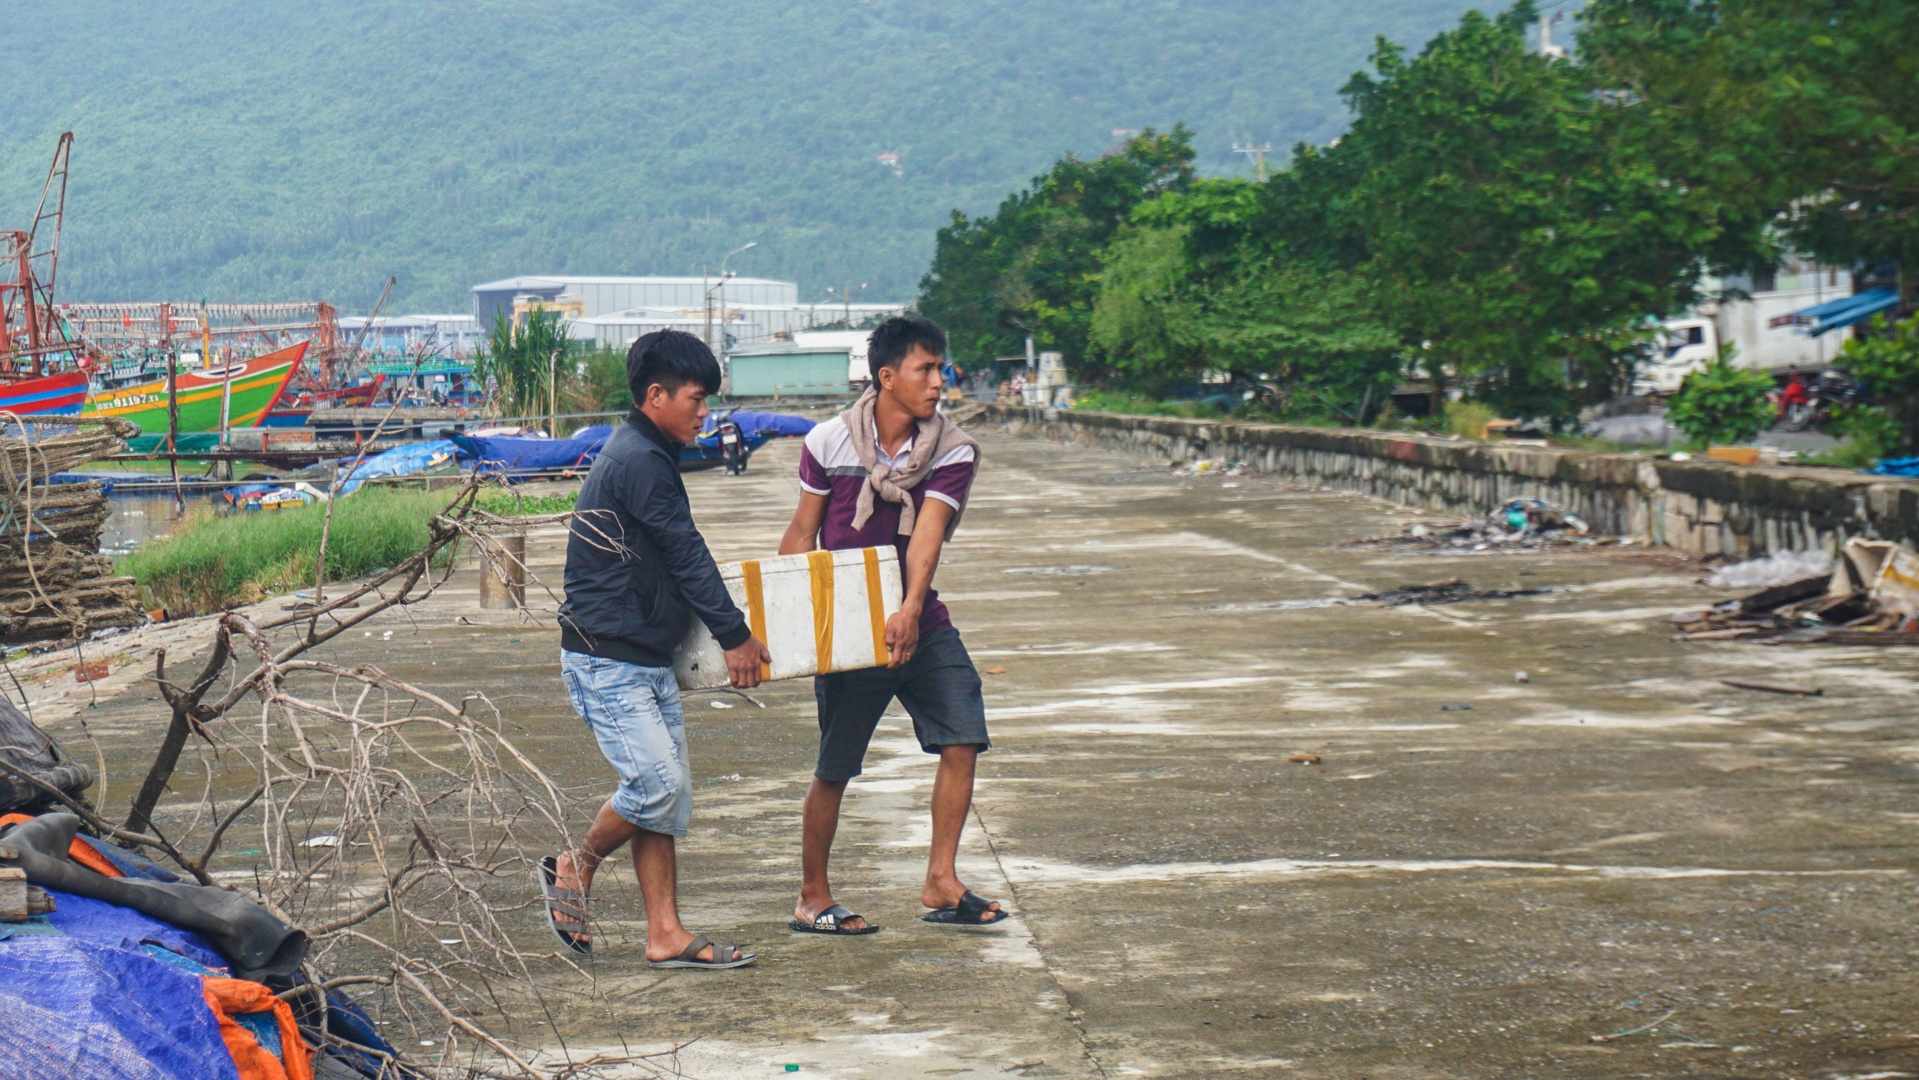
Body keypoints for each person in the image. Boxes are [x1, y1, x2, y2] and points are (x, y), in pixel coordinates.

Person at [539, 329, 772, 969]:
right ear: (656, 395)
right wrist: (736, 637)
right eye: (697, 400)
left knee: (665, 801)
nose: (705, 413)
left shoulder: (648, 452)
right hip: (606, 657)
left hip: (643, 657)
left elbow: (677, 556)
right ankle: (575, 864)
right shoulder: (639, 459)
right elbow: (687, 554)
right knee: (655, 785)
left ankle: (664, 932)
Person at [777, 315, 1010, 935]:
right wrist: (788, 623)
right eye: (924, 369)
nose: (939, 381)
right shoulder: (827, 441)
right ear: (887, 377)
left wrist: (909, 610)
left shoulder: (952, 448)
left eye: (942, 369)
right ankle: (812, 896)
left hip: (921, 618)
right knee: (836, 764)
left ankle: (940, 880)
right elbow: (802, 534)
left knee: (963, 733)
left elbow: (928, 535)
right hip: (850, 633)